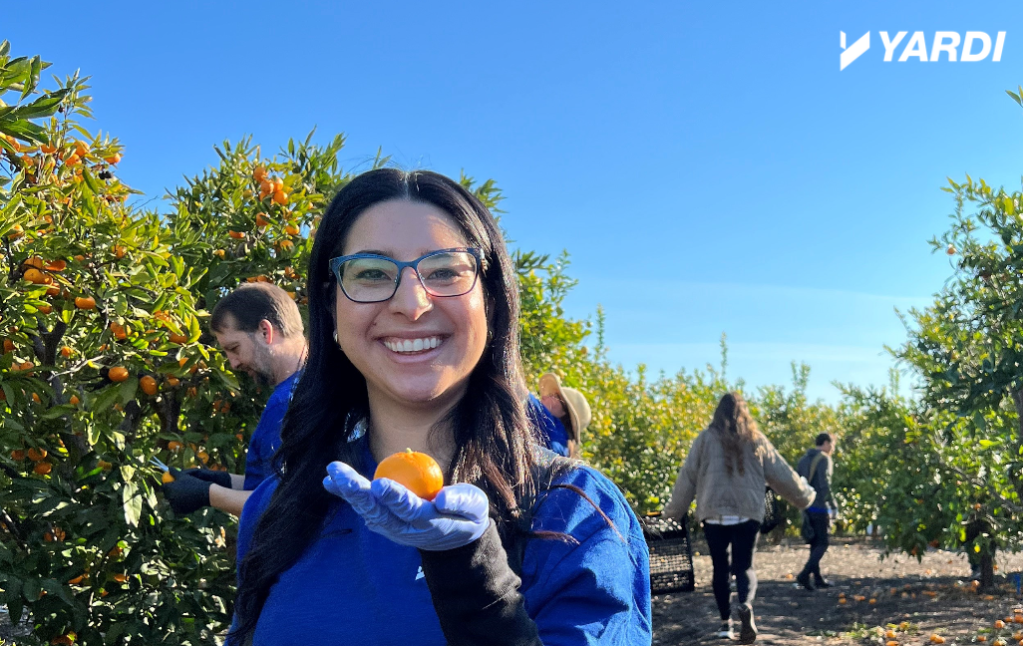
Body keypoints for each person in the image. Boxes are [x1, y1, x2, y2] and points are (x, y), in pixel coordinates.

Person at [227, 169, 651, 645]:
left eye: (446, 270)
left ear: (491, 301)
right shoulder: (274, 509)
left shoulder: (572, 513)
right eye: (370, 272)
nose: (411, 303)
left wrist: (477, 584)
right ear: (331, 308)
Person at [663, 392, 815, 644]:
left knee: (720, 568)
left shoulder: (705, 439)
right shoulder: (756, 440)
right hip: (748, 512)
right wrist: (805, 497)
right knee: (744, 566)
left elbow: (687, 478)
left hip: (713, 513)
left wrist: (672, 515)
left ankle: (725, 625)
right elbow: (781, 474)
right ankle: (745, 606)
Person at [162, 283, 307, 517]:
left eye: (234, 348)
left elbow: (290, 504)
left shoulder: (289, 402)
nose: (234, 363)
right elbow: (279, 483)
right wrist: (223, 482)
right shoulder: (316, 385)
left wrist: (208, 494)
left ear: (264, 332)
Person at [795, 433, 837, 590]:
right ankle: (804, 574)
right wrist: (832, 504)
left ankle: (817, 578)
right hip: (819, 505)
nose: (832, 448)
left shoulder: (803, 459)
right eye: (832, 445)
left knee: (815, 543)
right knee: (823, 543)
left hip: (806, 505)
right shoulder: (824, 459)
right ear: (825, 443)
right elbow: (824, 483)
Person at [525, 372, 591, 458]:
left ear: (564, 412)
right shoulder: (563, 447)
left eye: (553, 396)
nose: (544, 397)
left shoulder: (551, 427)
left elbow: (521, 394)